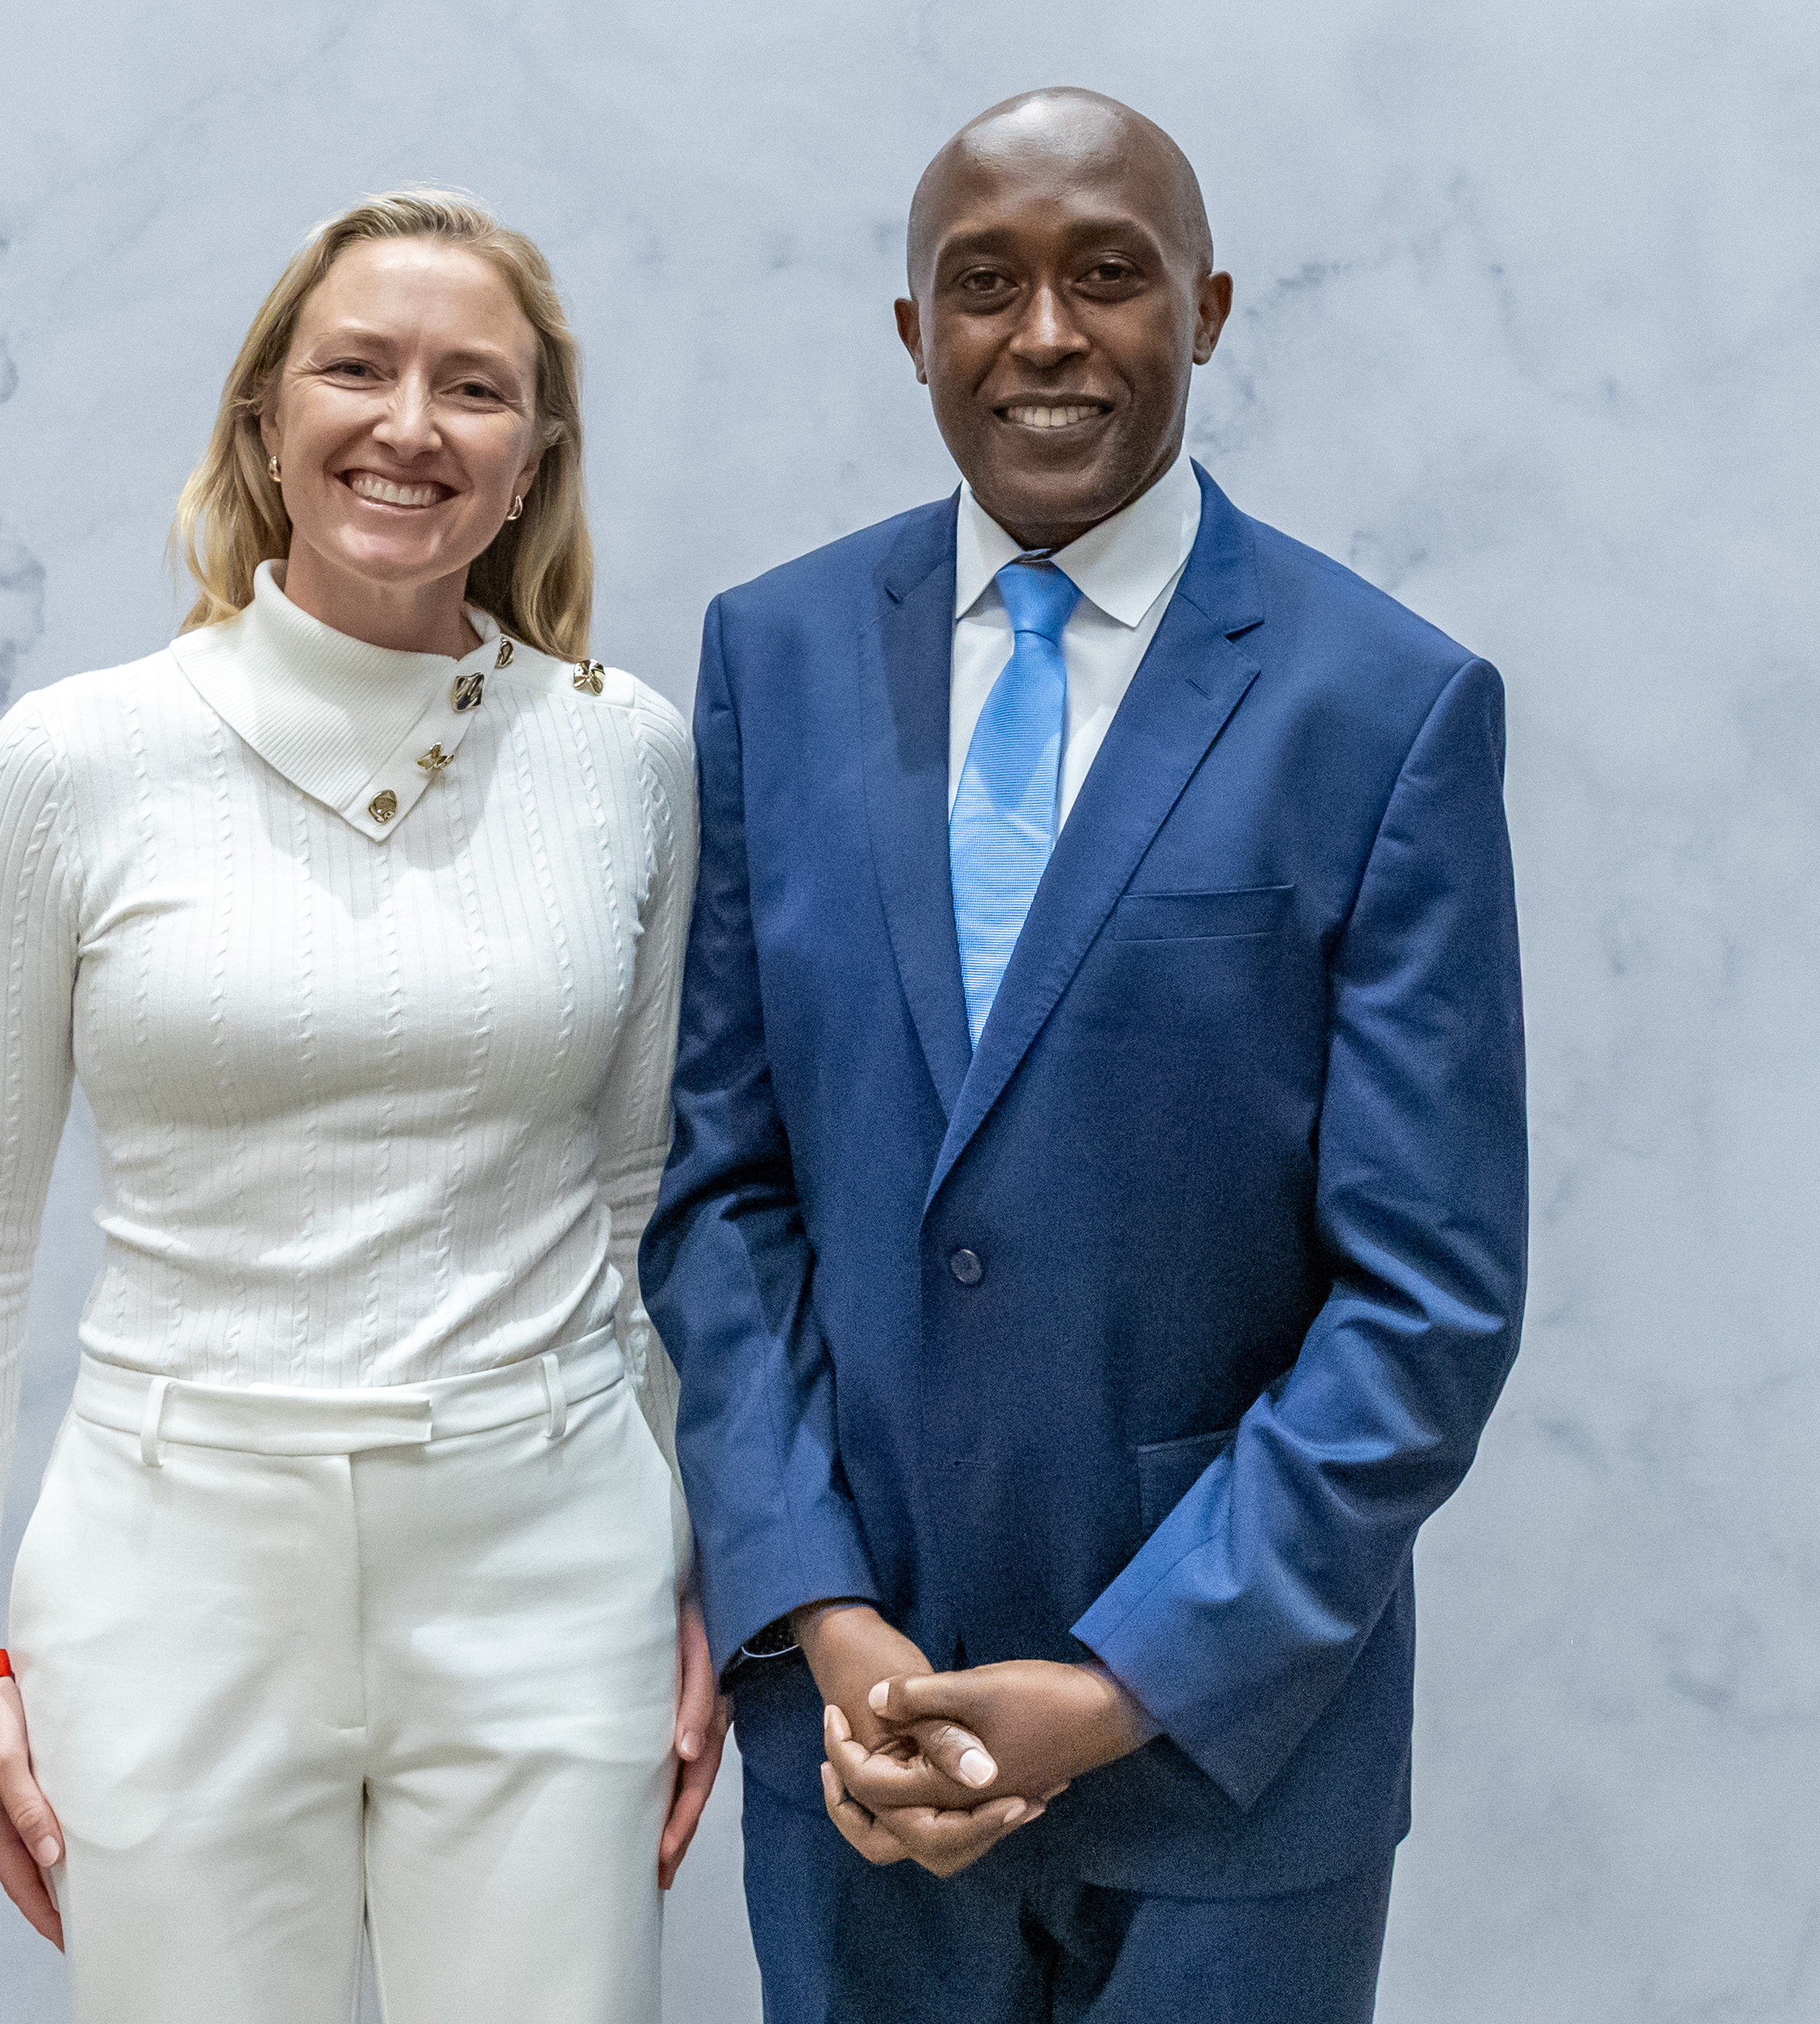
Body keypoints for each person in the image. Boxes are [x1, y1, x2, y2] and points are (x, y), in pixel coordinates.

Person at [641, 89, 1528, 2022]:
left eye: (1108, 274)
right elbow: (723, 1193)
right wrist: (826, 1612)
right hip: (863, 1758)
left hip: (1230, 1778)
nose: (1045, 334)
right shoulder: (772, 657)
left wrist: (1124, 1682)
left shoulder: (1385, 706)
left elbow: (1429, 1299)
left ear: (1206, 309)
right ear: (914, 332)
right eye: (986, 284)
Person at [0, 188, 723, 2024]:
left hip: (547, 1555)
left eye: (473, 387)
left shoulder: (625, 751)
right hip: (172, 1565)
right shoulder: (77, 759)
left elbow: (640, 1194)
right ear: (266, 416)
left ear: (534, 458)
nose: (410, 425)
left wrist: (689, 1566)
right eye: (358, 369)